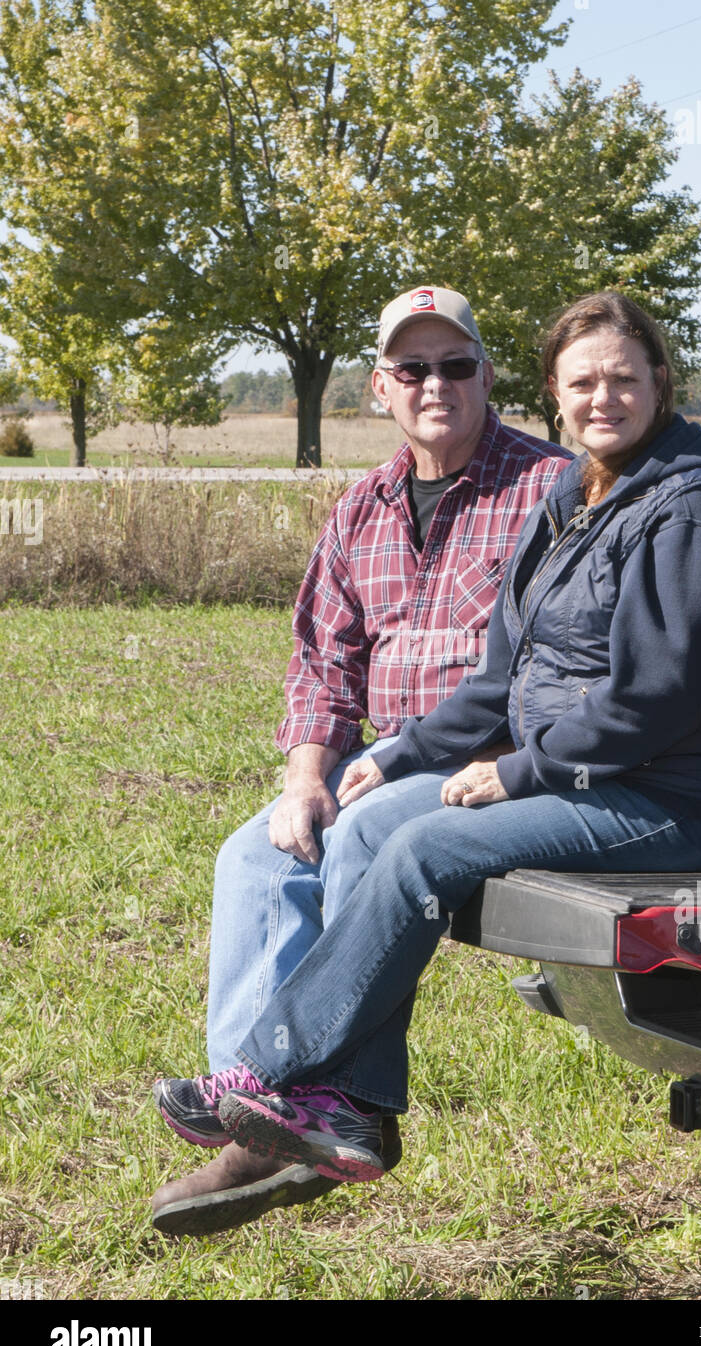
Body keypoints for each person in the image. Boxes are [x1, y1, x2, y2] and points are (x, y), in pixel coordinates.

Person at [154, 289, 701, 1219]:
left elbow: (656, 700)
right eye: (582, 382)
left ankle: (271, 1073)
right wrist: (404, 749)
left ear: (661, 384)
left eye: (623, 379)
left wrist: (513, 771)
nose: (602, 398)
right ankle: (341, 1111)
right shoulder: (581, 494)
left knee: (422, 849)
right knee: (350, 838)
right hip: (609, 775)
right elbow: (500, 675)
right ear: (555, 393)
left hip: (681, 798)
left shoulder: (684, 511)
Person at [150, 286, 573, 1233]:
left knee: (370, 834)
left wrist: (435, 761)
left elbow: (558, 664)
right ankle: (260, 1117)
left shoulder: (547, 488)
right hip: (378, 755)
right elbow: (323, 666)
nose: (436, 384)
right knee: (255, 855)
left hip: (493, 758)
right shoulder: (361, 509)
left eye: (455, 364)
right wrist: (305, 778)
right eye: (413, 368)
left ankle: (344, 1103)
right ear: (380, 386)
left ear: (487, 376)